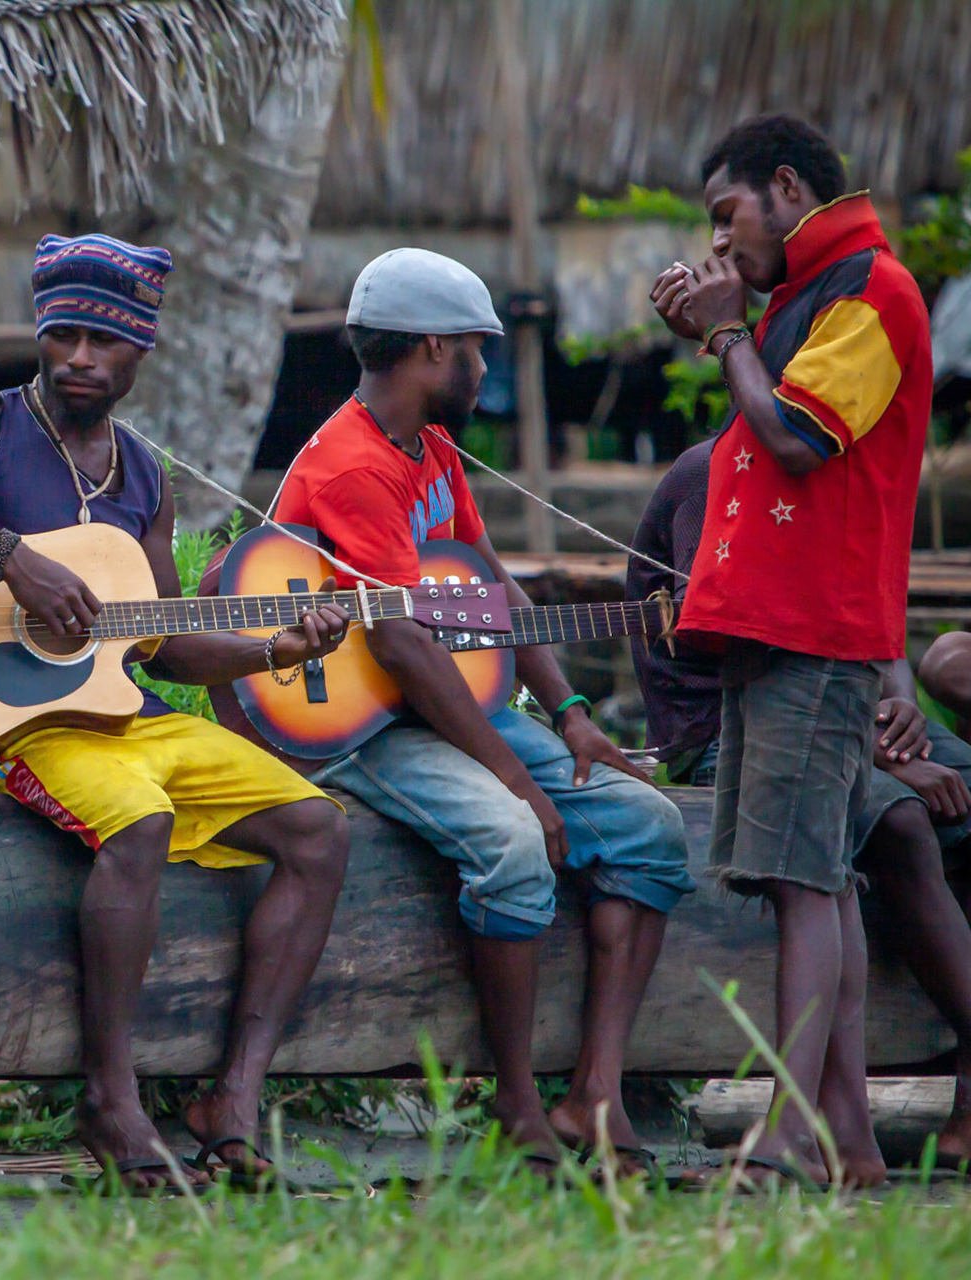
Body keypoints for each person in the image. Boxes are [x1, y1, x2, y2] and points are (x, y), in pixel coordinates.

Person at [0, 233, 353, 1192]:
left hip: (124, 713)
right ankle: (111, 1095)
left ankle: (235, 1098)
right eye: (63, 335)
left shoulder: (142, 476)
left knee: (319, 831)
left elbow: (161, 643)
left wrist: (276, 649)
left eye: (104, 341)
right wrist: (13, 560)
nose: (79, 357)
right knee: (140, 821)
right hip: (12, 724)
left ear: (140, 352)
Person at [267, 248, 696, 1173]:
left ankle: (596, 1093)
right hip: (359, 723)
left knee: (652, 828)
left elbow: (494, 590)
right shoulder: (350, 465)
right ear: (433, 348)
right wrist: (518, 784)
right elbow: (398, 645)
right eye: (477, 348)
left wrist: (571, 712)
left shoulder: (429, 448)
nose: (484, 367)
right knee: (510, 841)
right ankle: (513, 1099)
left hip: (441, 702)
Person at [648, 114, 931, 1187]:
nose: (720, 244)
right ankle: (848, 1139)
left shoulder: (873, 291)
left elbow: (797, 439)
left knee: (807, 884)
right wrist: (724, 331)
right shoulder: (806, 299)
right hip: (773, 628)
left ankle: (787, 1135)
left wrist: (727, 335)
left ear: (787, 186)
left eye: (728, 217)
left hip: (816, 632)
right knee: (813, 883)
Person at [632, 438, 971, 1166]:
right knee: (902, 820)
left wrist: (901, 713)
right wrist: (881, 752)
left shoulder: (837, 473)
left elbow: (869, 599)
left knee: (957, 796)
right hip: (729, 722)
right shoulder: (719, 471)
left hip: (844, 703)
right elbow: (742, 634)